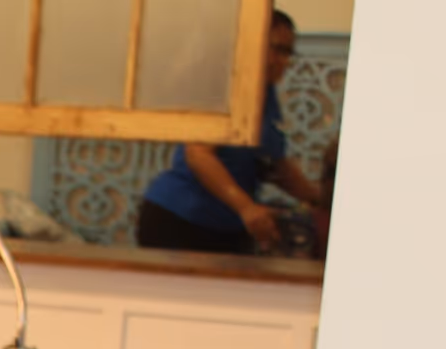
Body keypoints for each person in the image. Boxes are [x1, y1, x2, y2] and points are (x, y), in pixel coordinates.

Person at [137, 10, 325, 254]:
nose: (284, 61)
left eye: (288, 53)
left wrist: (321, 198)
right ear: (250, 44)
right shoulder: (224, 86)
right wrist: (247, 208)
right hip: (181, 219)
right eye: (277, 49)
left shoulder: (265, 94)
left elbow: (276, 165)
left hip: (228, 227)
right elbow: (199, 154)